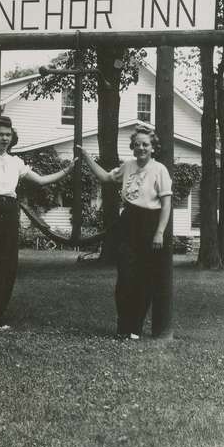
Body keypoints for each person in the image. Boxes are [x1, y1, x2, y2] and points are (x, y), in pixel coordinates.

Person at [0, 115, 76, 331]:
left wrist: (67, 170)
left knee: (8, 266)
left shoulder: (15, 162)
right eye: (0, 134)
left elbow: (41, 180)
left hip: (9, 212)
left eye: (8, 135)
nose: (5, 138)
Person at [78, 124, 172, 340]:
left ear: (153, 147)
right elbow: (105, 178)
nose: (141, 148)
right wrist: (86, 157)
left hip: (150, 224)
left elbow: (166, 205)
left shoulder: (160, 170)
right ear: (132, 147)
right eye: (137, 144)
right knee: (125, 278)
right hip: (128, 222)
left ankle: (135, 328)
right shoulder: (127, 166)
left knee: (144, 279)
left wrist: (159, 232)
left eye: (145, 145)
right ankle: (123, 326)